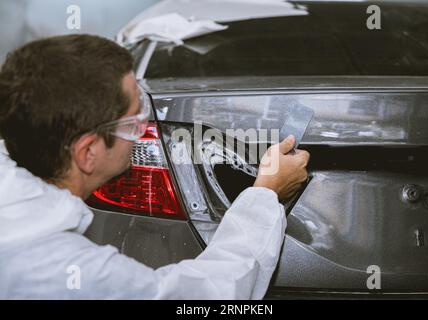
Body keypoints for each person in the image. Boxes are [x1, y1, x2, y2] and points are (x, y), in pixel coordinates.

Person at [0, 34, 310, 299]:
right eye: (135, 119)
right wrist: (265, 194)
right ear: (87, 153)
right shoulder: (78, 275)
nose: (143, 129)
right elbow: (206, 296)